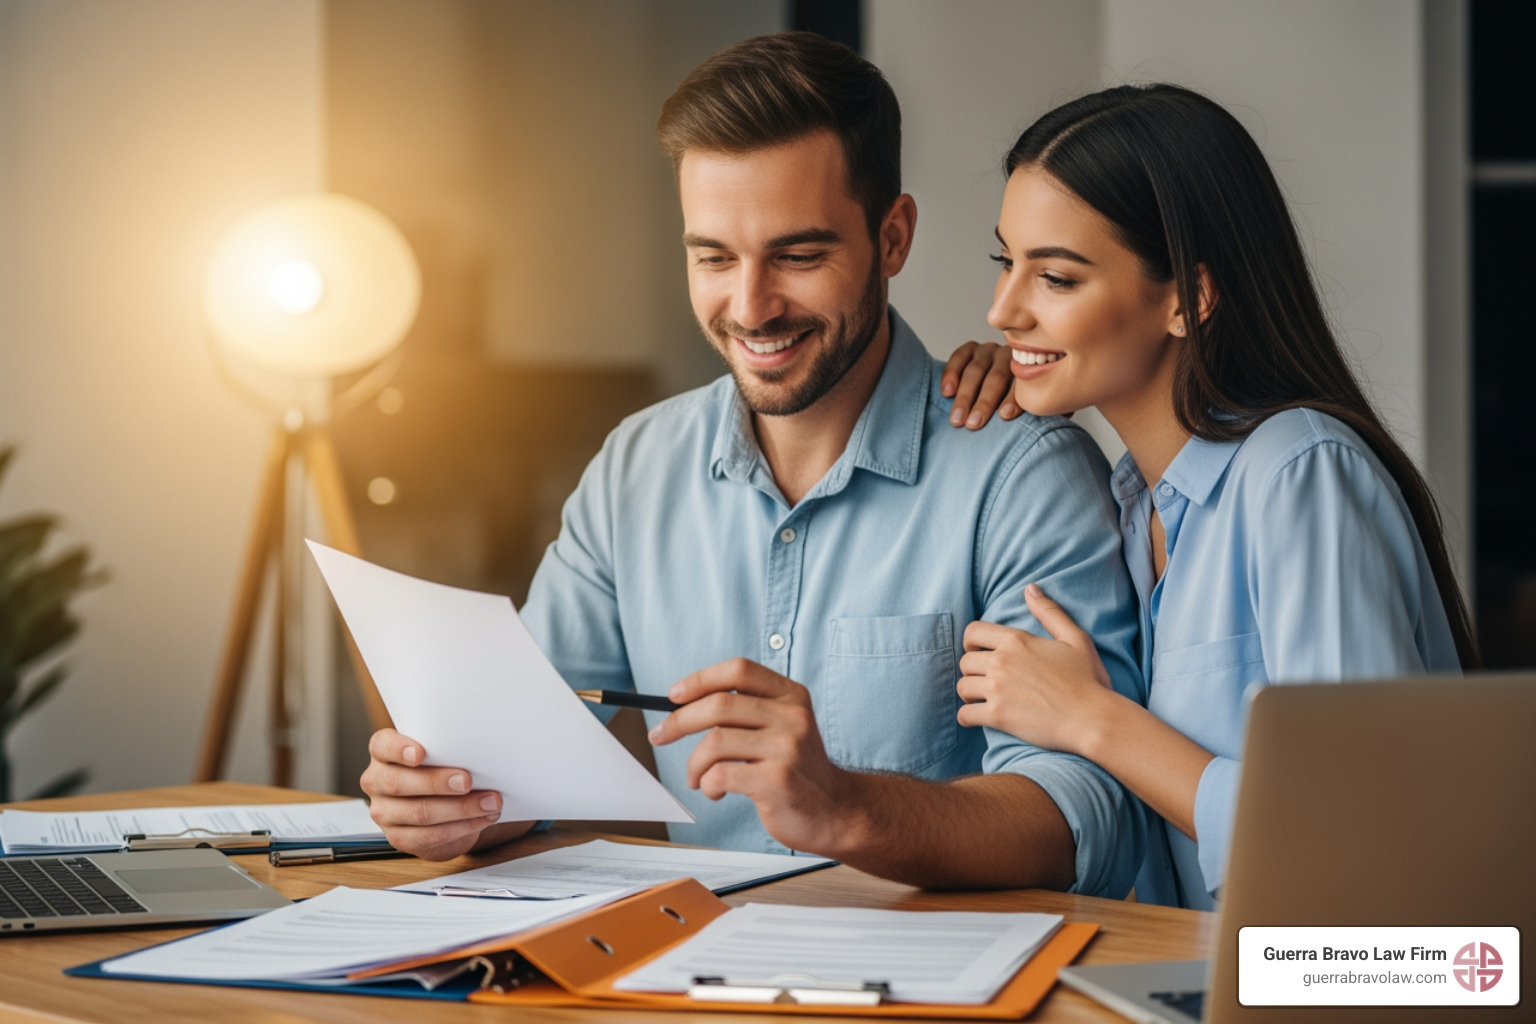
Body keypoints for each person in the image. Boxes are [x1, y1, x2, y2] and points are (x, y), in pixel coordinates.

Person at [360, 33, 1147, 895]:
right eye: (713, 257)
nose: (750, 307)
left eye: (798, 255)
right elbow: (528, 753)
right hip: (689, 969)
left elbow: (1081, 820)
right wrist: (453, 799)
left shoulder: (1024, 474)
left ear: (892, 238)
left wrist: (845, 806)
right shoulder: (636, 466)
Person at [940, 83, 1474, 909]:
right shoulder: (1135, 507)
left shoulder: (1301, 475)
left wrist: (1096, 722)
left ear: (1188, 298)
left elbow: (1360, 838)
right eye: (1006, 262)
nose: (1002, 307)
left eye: (1054, 277)